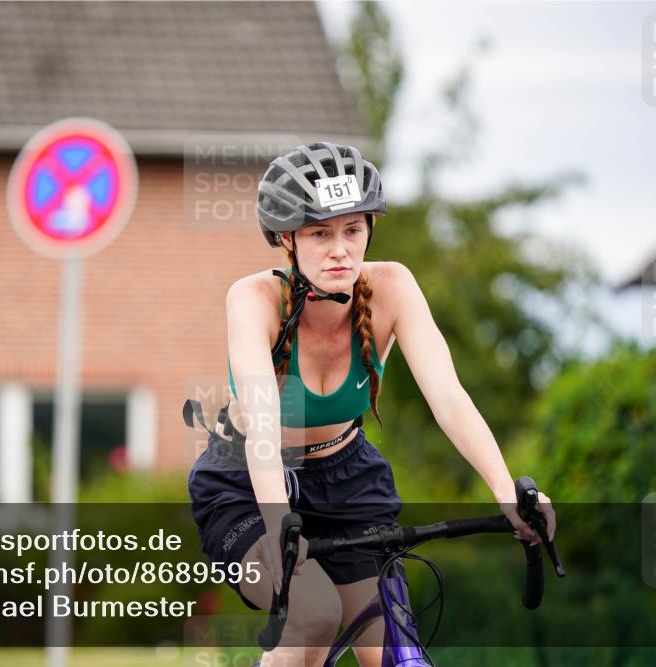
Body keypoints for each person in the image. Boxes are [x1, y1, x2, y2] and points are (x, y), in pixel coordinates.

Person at [185, 142, 557, 667]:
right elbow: (264, 427)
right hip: (247, 482)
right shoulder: (252, 299)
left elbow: (448, 398)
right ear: (287, 239)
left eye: (352, 230)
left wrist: (507, 491)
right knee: (312, 616)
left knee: (399, 657)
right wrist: (277, 526)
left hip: (350, 479)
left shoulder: (392, 287)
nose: (340, 249)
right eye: (320, 233)